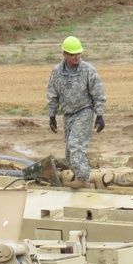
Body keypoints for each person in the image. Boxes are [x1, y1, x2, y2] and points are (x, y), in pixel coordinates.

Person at [46, 36, 106, 188]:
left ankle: (83, 179)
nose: (77, 57)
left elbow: (98, 92)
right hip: (68, 114)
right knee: (69, 152)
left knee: (76, 145)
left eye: (79, 54)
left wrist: (99, 115)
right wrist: (52, 115)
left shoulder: (88, 70)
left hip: (84, 111)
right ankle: (81, 175)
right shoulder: (57, 72)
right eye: (73, 54)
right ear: (64, 54)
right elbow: (52, 94)